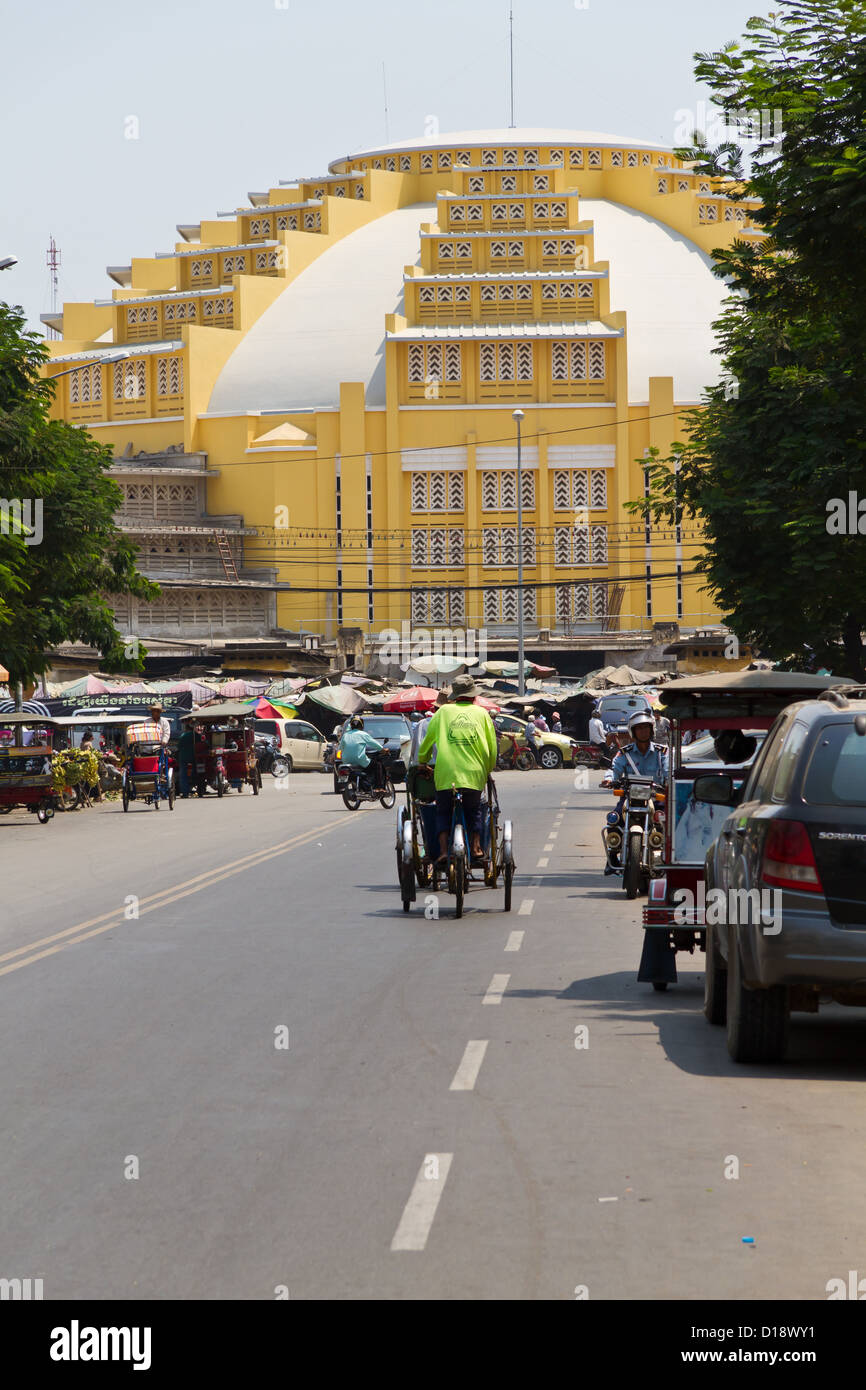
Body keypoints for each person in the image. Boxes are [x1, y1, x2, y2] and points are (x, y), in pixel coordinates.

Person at [418, 674, 498, 867]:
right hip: (474, 774)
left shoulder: (443, 712)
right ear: (473, 696)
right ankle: (477, 847)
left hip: (446, 775)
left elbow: (427, 743)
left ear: (455, 695)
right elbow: (492, 749)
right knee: (474, 810)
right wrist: (487, 768)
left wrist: (423, 760)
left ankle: (444, 851)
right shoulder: (482, 714)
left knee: (443, 812)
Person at [339, 714, 389, 789]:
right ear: (362, 725)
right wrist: (383, 750)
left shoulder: (345, 735)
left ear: (351, 725)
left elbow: (340, 749)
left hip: (346, 761)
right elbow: (374, 743)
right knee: (377, 765)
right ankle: (379, 788)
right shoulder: (363, 734)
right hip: (359, 760)